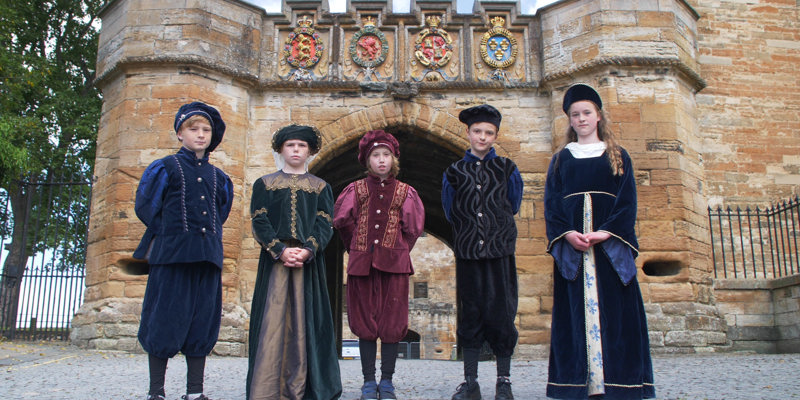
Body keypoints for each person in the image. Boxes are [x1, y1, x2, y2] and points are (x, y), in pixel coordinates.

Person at [544, 83, 655, 399]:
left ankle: (622, 384)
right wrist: (566, 233)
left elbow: (627, 201)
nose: (581, 119)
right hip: (575, 249)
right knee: (574, 314)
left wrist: (607, 232)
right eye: (575, 114)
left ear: (598, 116)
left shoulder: (617, 156)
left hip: (609, 248)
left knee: (618, 313)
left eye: (586, 113)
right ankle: (579, 384)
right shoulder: (561, 159)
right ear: (570, 119)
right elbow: (552, 204)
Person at [133, 101, 233, 400]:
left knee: (202, 321)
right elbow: (146, 206)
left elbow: (221, 212)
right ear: (180, 133)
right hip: (172, 256)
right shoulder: (164, 168)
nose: (200, 135)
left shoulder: (220, 178)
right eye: (193, 129)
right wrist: (174, 233)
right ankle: (156, 392)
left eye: (206, 130)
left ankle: (194, 391)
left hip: (207, 257)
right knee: (164, 318)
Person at [246, 124, 342, 400]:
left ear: (309, 151)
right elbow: (259, 220)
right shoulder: (264, 184)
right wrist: (278, 249)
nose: (296, 150)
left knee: (306, 320)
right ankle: (267, 387)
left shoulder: (321, 187)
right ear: (281, 150)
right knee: (272, 320)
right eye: (291, 145)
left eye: (301, 146)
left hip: (307, 262)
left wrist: (308, 249)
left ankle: (304, 385)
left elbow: (326, 223)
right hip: (275, 260)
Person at [333, 130, 425, 400]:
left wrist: (396, 249)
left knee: (392, 322)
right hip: (362, 265)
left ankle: (387, 380)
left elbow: (413, 229)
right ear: (367, 160)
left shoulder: (406, 192)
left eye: (386, 155)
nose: (381, 160)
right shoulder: (356, 189)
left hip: (394, 265)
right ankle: (368, 381)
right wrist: (357, 247)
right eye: (376, 155)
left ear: (393, 158)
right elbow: (342, 221)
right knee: (364, 322)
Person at [442, 105, 523, 400]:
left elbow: (513, 204)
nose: (482, 137)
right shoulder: (454, 171)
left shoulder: (507, 168)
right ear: (468, 133)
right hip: (468, 252)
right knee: (472, 312)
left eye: (489, 132)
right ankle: (471, 382)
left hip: (500, 249)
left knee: (502, 311)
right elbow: (450, 210)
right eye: (477, 131)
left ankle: (504, 381)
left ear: (495, 136)